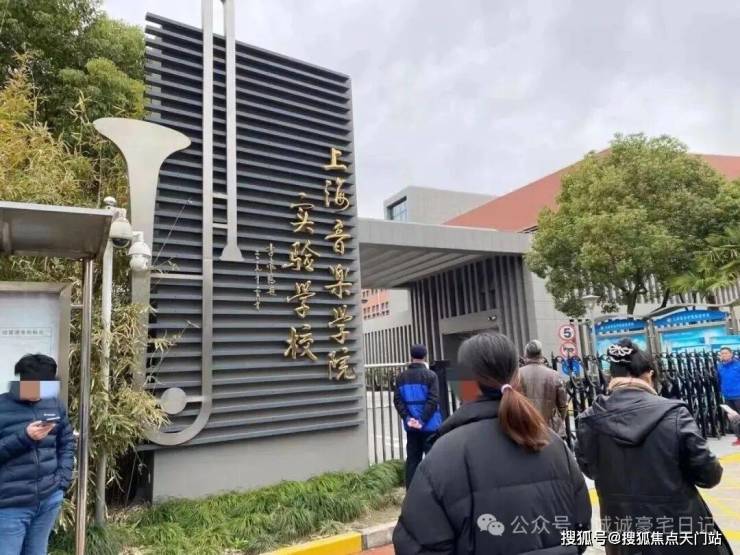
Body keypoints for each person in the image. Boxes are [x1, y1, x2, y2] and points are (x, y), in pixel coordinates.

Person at [394, 333, 591, 555]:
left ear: (462, 383)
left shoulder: (441, 457)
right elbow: (581, 531)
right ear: (517, 378)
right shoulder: (554, 444)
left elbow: (417, 546)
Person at [575, 339, 730, 555]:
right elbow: (709, 475)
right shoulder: (674, 414)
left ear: (611, 376)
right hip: (680, 533)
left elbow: (590, 470)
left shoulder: (589, 420)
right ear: (648, 374)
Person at [0, 354, 76, 555]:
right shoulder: (2, 407)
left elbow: (67, 442)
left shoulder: (54, 404)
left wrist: (62, 481)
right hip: (10, 505)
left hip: (48, 499)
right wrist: (25, 437)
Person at [393, 344, 442, 488]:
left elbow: (397, 401)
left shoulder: (401, 377)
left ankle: (411, 492)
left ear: (411, 356)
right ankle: (434, 491)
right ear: (425, 356)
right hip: (430, 426)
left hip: (411, 427)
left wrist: (408, 418)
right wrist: (422, 420)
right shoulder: (431, 376)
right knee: (433, 460)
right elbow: (433, 400)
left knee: (413, 460)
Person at [519, 339, 568, 439]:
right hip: (550, 429)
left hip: (525, 427)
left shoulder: (517, 374)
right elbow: (562, 404)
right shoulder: (554, 375)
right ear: (541, 354)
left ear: (526, 354)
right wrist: (561, 418)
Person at [717, 347, 740, 446]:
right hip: (727, 397)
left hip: (738, 395)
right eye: (722, 353)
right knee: (733, 419)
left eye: (726, 353)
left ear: (731, 354)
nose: (724, 355)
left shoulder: (738, 365)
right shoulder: (719, 367)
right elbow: (719, 380)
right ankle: (739, 438)